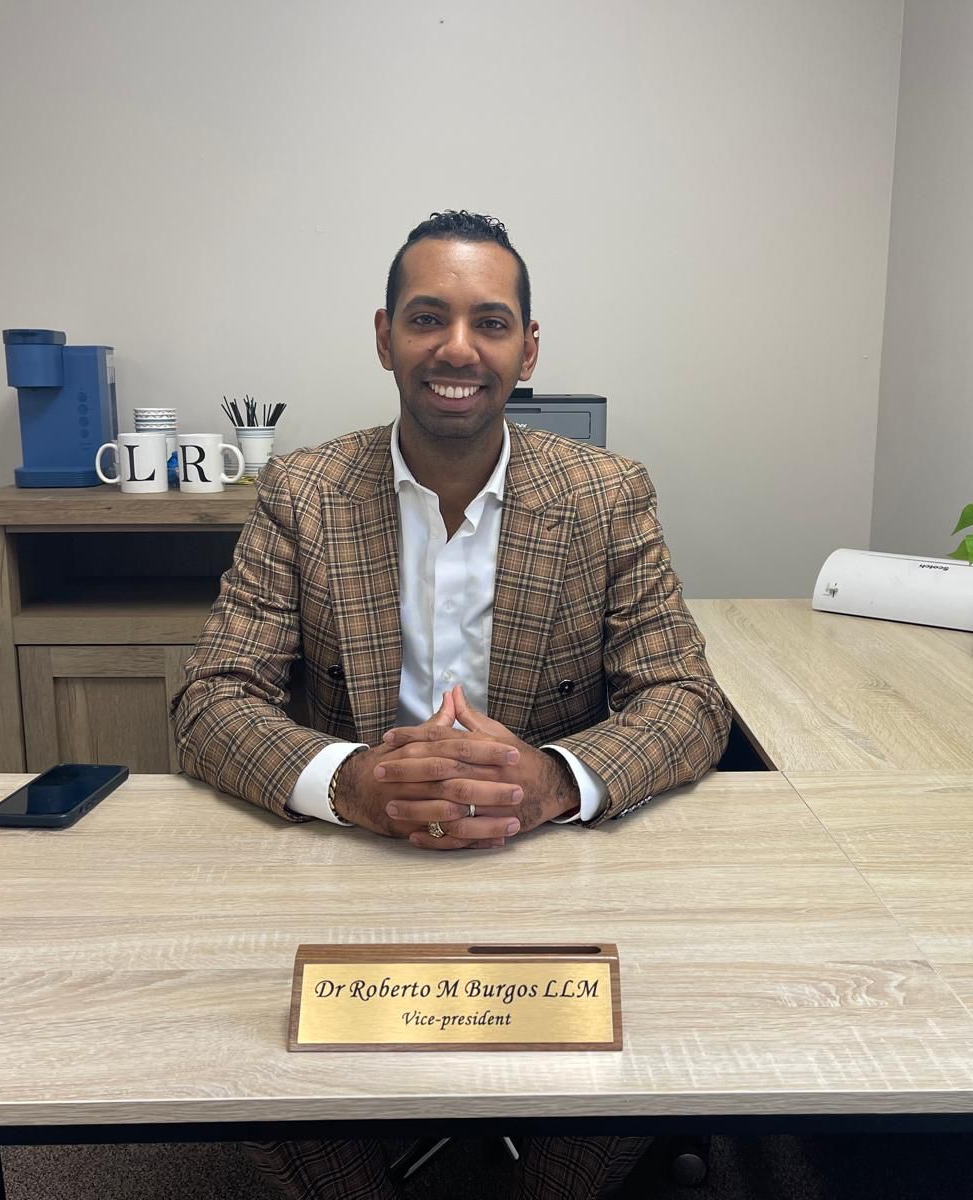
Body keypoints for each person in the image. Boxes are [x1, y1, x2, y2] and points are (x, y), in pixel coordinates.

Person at [173, 210, 730, 1198]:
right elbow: (211, 696)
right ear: (384, 335)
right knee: (233, 1057)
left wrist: (552, 781)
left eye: (490, 322)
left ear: (528, 348)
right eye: (428, 318)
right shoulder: (302, 492)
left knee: (656, 1053)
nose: (458, 349)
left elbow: (685, 699)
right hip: (351, 864)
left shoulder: (605, 494)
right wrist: (348, 782)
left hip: (546, 866)